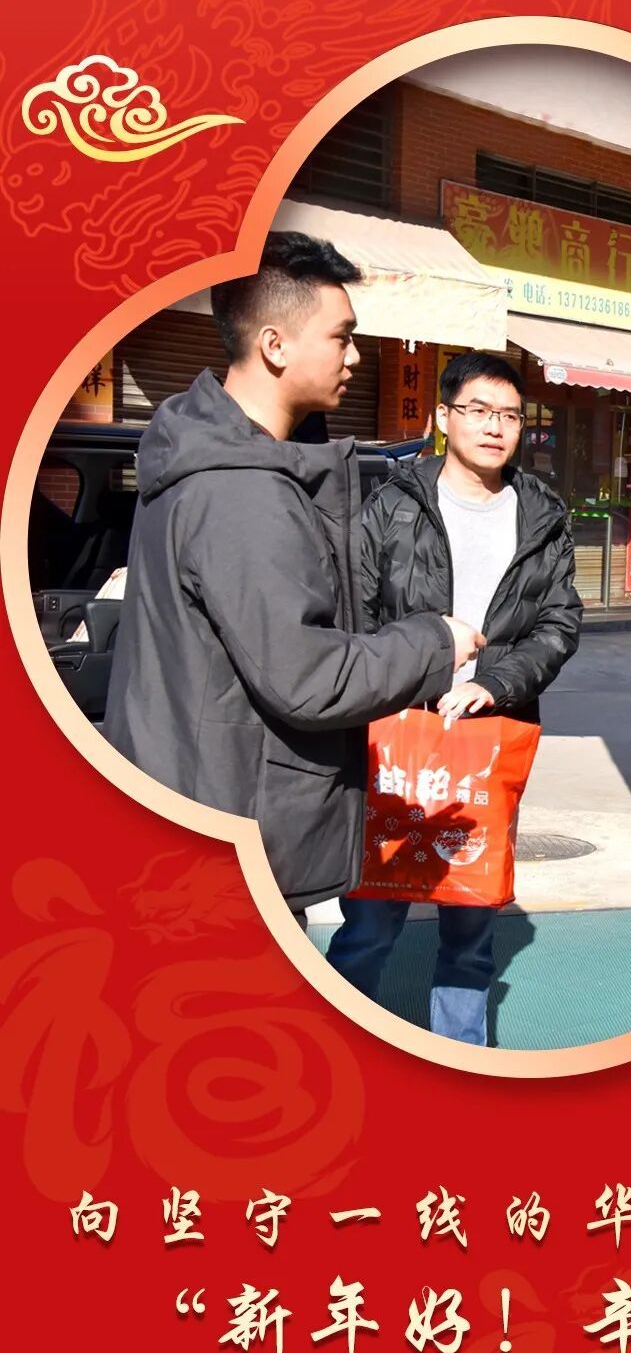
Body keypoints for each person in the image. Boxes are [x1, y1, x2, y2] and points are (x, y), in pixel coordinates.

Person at [104, 232, 483, 915]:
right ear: (275, 345)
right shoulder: (242, 491)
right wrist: (436, 642)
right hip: (230, 841)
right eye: (342, 337)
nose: (354, 356)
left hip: (195, 813)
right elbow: (308, 678)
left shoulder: (207, 458)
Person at [326, 351, 583, 1045]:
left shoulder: (542, 513)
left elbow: (558, 624)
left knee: (470, 922)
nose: (494, 427)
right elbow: (356, 618)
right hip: (396, 731)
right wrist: (414, 670)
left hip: (489, 734)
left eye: (509, 415)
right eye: (477, 410)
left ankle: (462, 1060)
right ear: (444, 417)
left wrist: (493, 683)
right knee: (370, 917)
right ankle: (334, 1048)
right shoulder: (391, 505)